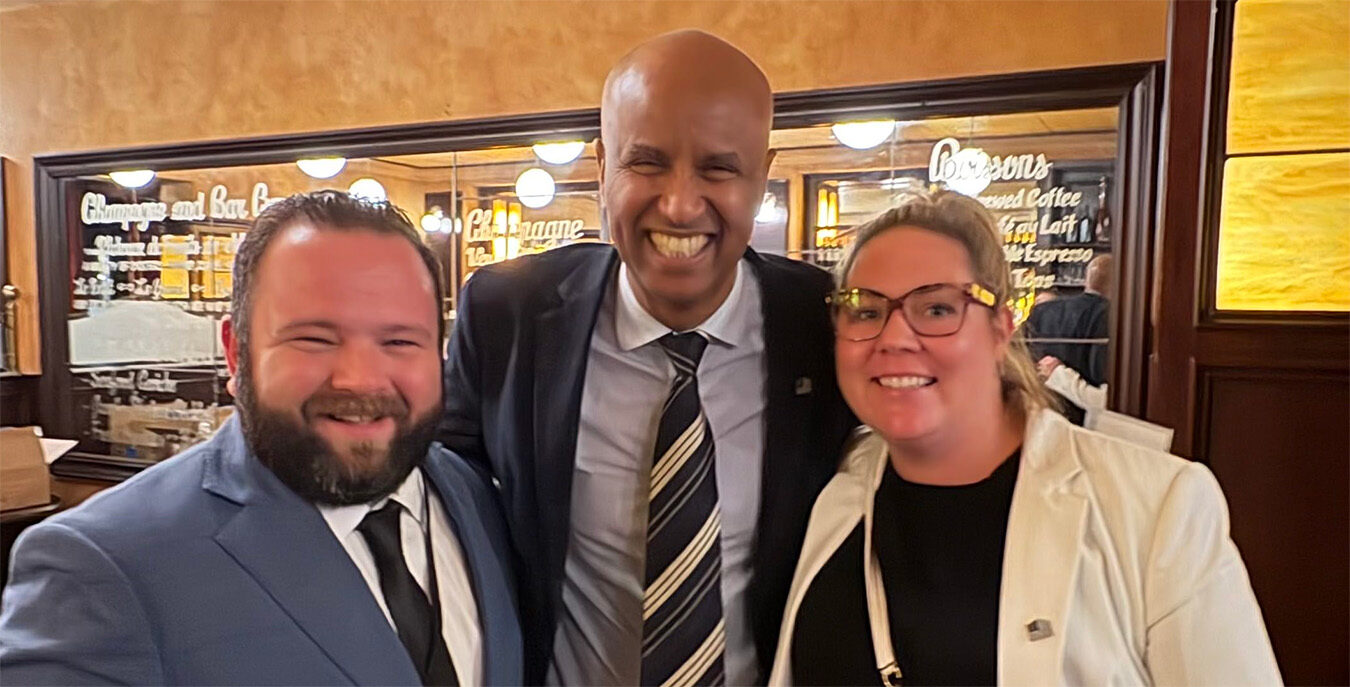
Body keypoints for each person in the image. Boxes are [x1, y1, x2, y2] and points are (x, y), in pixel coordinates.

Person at [440, 30, 854, 686]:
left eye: (719, 169)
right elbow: (434, 501)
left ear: (762, 175)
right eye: (648, 163)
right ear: (603, 165)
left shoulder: (824, 326)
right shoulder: (507, 315)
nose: (680, 205)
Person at [0, 191, 522, 685]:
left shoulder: (477, 496)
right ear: (235, 351)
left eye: (400, 341)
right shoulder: (99, 565)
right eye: (314, 339)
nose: (360, 379)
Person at [769, 191, 1281, 686]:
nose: (895, 337)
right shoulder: (836, 489)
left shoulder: (1155, 505)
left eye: (938, 309)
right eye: (866, 310)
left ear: (1000, 328)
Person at [1025, 254, 1112, 388]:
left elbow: (1021, 356)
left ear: (1086, 280)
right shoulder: (1110, 316)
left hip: (1040, 395)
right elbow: (1101, 379)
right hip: (1081, 399)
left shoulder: (1042, 310)